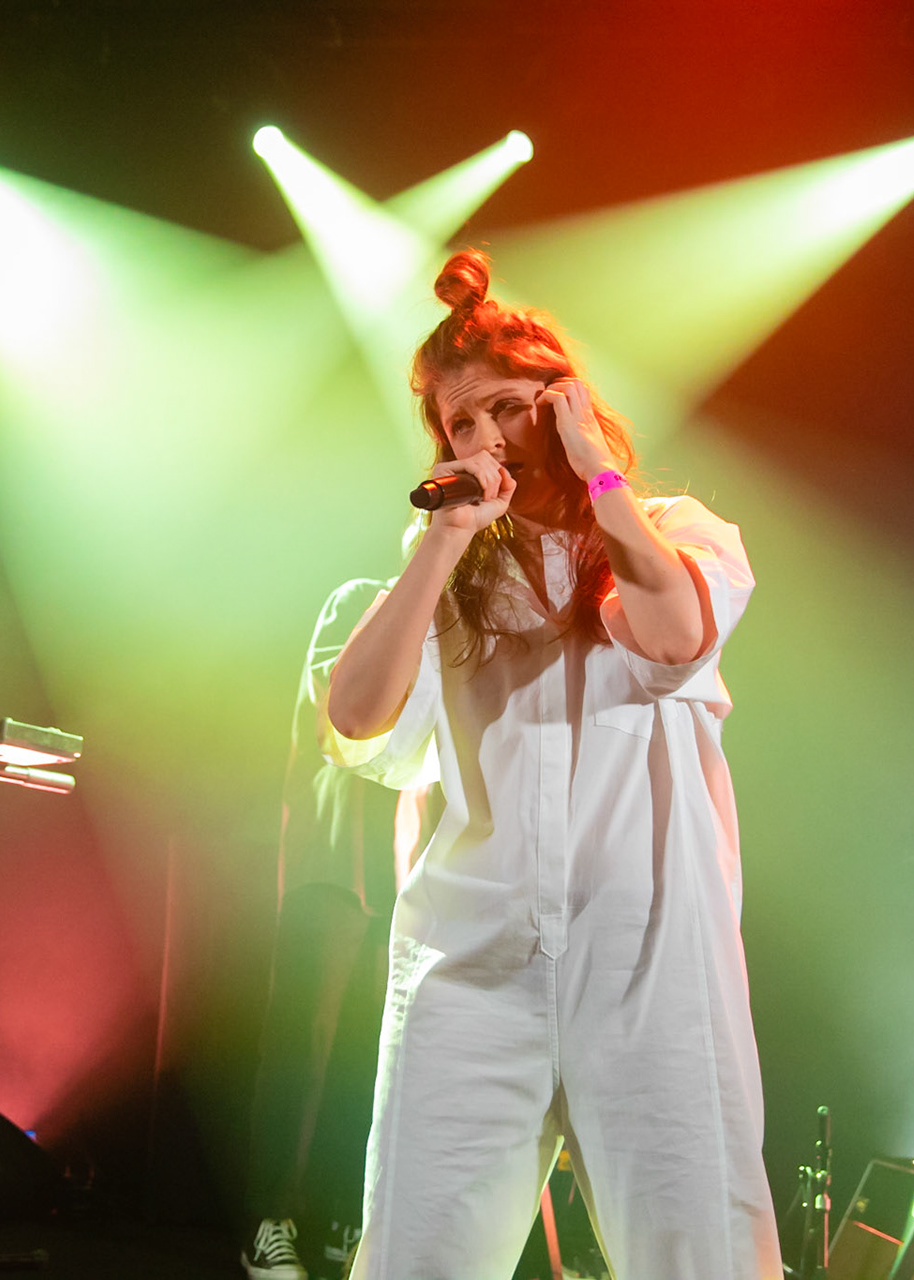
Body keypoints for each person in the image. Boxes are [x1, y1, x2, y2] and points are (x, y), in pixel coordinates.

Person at [322, 249, 784, 1279]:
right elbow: (356, 716)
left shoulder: (675, 537)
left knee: (700, 1250)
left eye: (510, 409)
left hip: (650, 959)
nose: (488, 439)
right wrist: (441, 541)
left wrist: (602, 480)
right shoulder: (444, 568)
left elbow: (671, 638)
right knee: (419, 1256)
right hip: (472, 960)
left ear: (568, 404)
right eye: (460, 425)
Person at [242, 577, 438, 1280]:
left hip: (401, 877)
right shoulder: (365, 596)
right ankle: (269, 1221)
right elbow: (342, 719)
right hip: (332, 865)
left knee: (372, 1055)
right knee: (305, 1050)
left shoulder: (464, 620)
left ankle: (338, 1215)